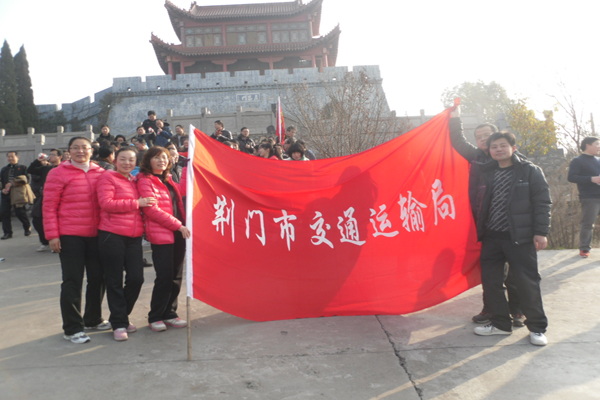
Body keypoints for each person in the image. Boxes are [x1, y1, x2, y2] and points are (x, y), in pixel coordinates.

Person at [473, 131, 551, 346]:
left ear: (513, 148)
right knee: (491, 283)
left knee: (527, 283)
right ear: (489, 151)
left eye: (503, 145)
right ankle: (500, 324)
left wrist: (541, 231)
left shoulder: (530, 171)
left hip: (520, 238)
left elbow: (543, 202)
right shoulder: (486, 172)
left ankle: (537, 328)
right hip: (491, 237)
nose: (498, 149)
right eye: (494, 146)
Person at [449, 108, 523, 326]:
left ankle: (517, 311)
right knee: (491, 274)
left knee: (514, 273)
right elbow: (458, 141)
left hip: (513, 227)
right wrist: (455, 118)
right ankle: (491, 309)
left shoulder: (518, 163)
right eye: (478, 137)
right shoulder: (477, 158)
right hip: (487, 225)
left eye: (487, 135)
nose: (482, 139)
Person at [43, 137, 108, 344]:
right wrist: (52, 235)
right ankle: (72, 328)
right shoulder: (58, 173)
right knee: (73, 280)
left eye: (84, 147)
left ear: (92, 150)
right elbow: (49, 206)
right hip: (70, 235)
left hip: (97, 234)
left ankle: (93, 318)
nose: (80, 151)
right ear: (69, 151)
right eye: (75, 148)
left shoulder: (101, 173)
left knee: (98, 278)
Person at [97, 147, 156, 341]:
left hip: (134, 237)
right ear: (115, 160)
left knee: (136, 278)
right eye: (122, 159)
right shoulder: (108, 177)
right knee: (114, 280)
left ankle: (120, 316)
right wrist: (136, 203)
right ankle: (119, 323)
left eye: (131, 160)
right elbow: (106, 203)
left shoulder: (135, 180)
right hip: (111, 235)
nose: (127, 163)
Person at [136, 147, 191, 332]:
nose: (162, 161)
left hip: (178, 233)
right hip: (163, 234)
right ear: (148, 160)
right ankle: (155, 316)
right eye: (157, 157)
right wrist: (178, 225)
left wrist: (187, 168)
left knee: (176, 276)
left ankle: (170, 313)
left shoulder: (168, 179)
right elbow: (151, 210)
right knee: (164, 277)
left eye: (165, 158)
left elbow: (183, 190)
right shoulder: (144, 181)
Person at [567, 136, 600, 257]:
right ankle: (584, 249)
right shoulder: (577, 161)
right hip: (589, 197)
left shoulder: (599, 160)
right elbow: (571, 177)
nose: (599, 147)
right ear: (588, 145)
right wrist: (591, 179)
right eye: (597, 144)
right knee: (588, 223)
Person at [27, 149, 62, 251]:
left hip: (60, 197)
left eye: (53, 154)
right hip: (45, 197)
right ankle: (45, 241)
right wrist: (38, 160)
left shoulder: (63, 168)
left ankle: (59, 242)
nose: (50, 156)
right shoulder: (46, 169)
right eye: (50, 154)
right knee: (37, 219)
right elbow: (30, 170)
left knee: (58, 220)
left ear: (60, 157)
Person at [1, 151, 31, 240]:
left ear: (17, 157)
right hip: (6, 194)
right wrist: (2, 189)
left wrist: (12, 183)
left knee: (20, 212)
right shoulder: (4, 169)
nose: (10, 158)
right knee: (4, 213)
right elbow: (1, 181)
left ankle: (27, 227)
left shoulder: (22, 168)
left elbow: (26, 179)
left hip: (18, 194)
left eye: (12, 156)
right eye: (9, 157)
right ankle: (7, 233)